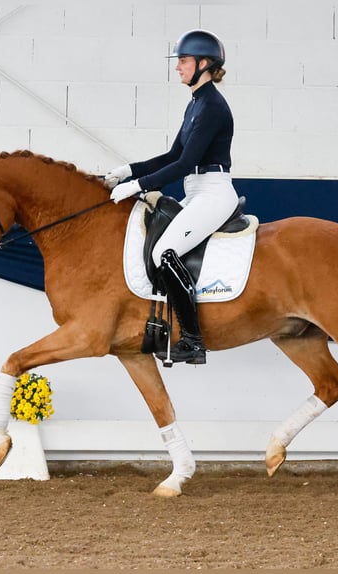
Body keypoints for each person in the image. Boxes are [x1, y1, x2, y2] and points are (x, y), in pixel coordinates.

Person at [104, 29, 240, 365]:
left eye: (183, 60)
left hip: (213, 193)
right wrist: (127, 171)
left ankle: (194, 341)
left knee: (165, 252)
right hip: (197, 193)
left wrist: (138, 187)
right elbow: (172, 154)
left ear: (204, 64)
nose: (177, 67)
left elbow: (184, 163)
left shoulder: (211, 106)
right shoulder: (196, 103)